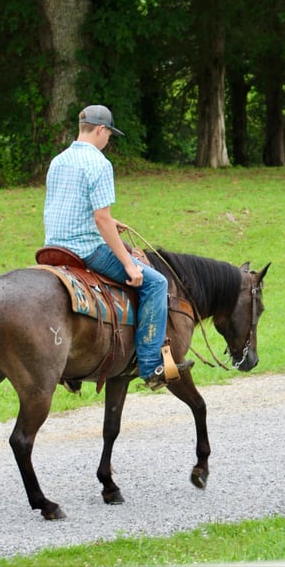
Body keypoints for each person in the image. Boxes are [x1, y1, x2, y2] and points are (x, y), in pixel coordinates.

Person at [43, 104, 191, 389]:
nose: (108, 140)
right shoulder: (99, 164)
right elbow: (100, 218)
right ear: (101, 130)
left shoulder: (58, 161)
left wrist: (111, 221)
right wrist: (127, 264)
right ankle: (151, 366)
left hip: (52, 248)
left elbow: (72, 206)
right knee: (156, 283)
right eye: (109, 134)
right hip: (85, 249)